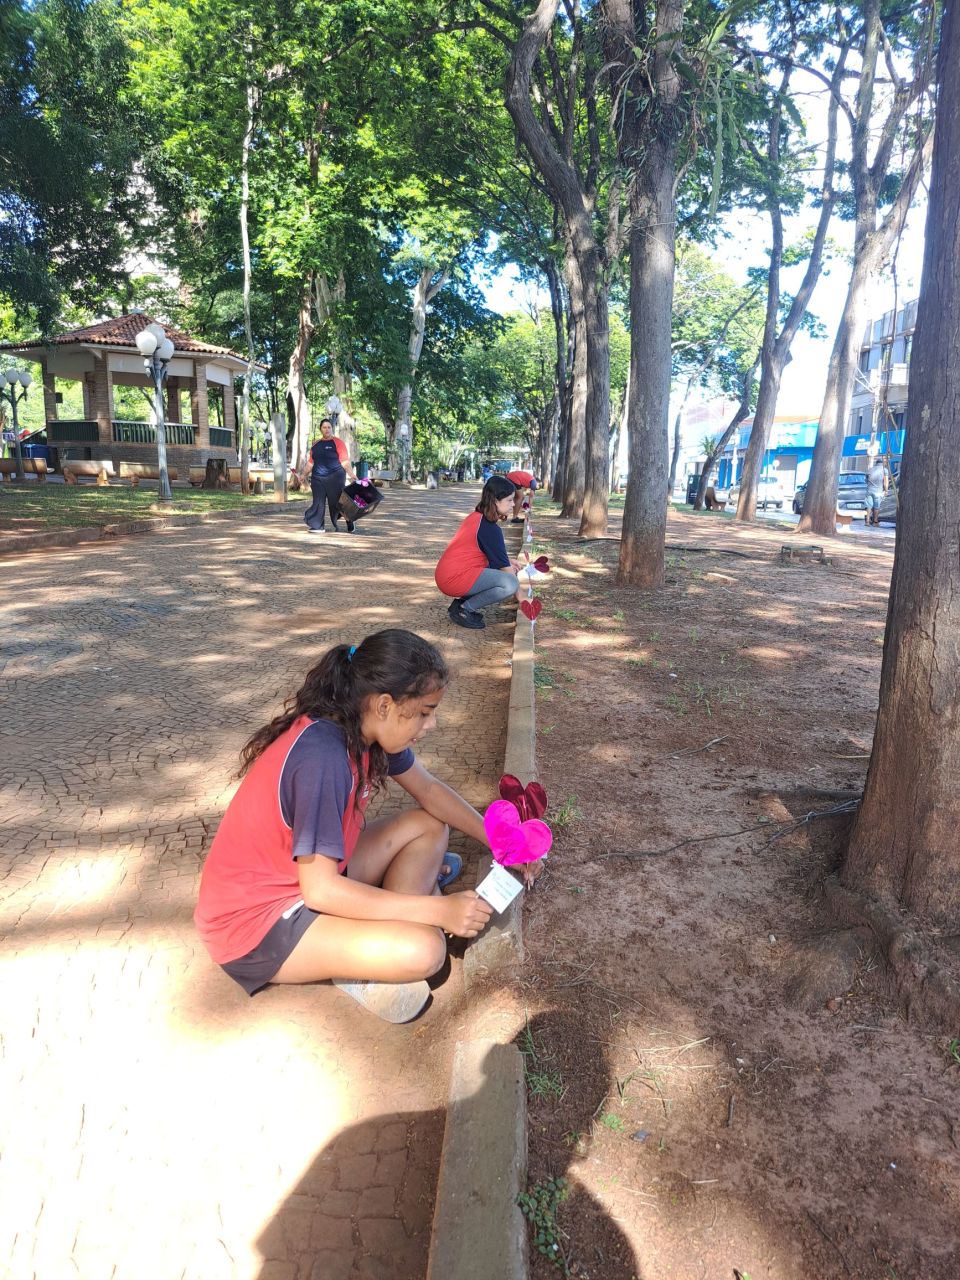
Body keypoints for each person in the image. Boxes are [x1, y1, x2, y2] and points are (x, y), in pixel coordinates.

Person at [194, 630, 494, 1023]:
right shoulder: (323, 759)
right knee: (426, 951)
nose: (431, 723)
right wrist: (438, 910)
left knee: (429, 826)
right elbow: (320, 891)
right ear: (384, 705)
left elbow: (429, 790)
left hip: (309, 879)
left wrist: (502, 841)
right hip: (257, 924)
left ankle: (379, 926)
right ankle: (362, 951)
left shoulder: (362, 728)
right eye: (424, 712)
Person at [435, 476, 527, 631]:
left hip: (449, 574)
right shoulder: (490, 529)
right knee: (510, 583)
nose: (513, 504)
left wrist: (508, 561)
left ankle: (460, 604)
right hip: (453, 578)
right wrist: (524, 599)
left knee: (507, 573)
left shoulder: (477, 517)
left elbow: (490, 555)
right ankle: (464, 610)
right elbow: (506, 571)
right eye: (510, 500)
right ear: (496, 500)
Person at [301, 417, 358, 533]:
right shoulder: (315, 445)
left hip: (335, 477)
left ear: (332, 429)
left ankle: (349, 520)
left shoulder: (338, 443)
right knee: (318, 502)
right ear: (320, 429)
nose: (327, 429)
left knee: (337, 503)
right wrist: (303, 475)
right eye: (324, 427)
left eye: (329, 427)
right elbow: (310, 463)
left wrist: (351, 474)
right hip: (318, 478)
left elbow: (345, 462)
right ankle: (318, 526)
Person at [865, 456, 887, 526]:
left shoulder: (870, 469)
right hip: (878, 491)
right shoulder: (884, 470)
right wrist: (886, 490)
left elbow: (866, 480)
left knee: (869, 506)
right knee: (876, 507)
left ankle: (867, 521)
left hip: (869, 490)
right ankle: (875, 522)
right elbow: (885, 482)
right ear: (883, 463)